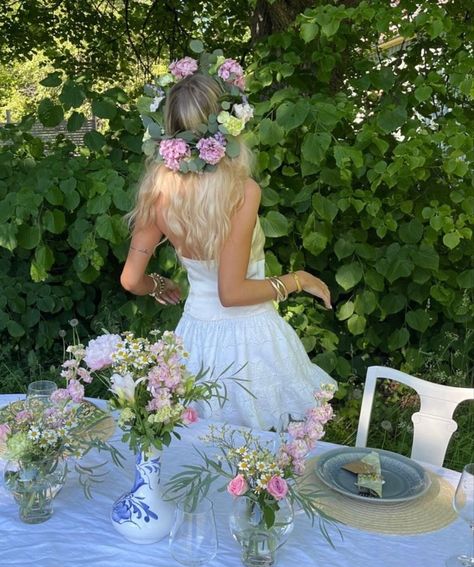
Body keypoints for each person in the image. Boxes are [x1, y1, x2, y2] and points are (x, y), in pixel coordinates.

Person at [120, 53, 337, 430]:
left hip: (195, 338)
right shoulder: (242, 191)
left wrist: (159, 284)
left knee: (196, 448)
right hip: (249, 342)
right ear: (227, 126)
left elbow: (130, 280)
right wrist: (297, 280)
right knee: (261, 452)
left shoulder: (157, 194)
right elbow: (232, 293)